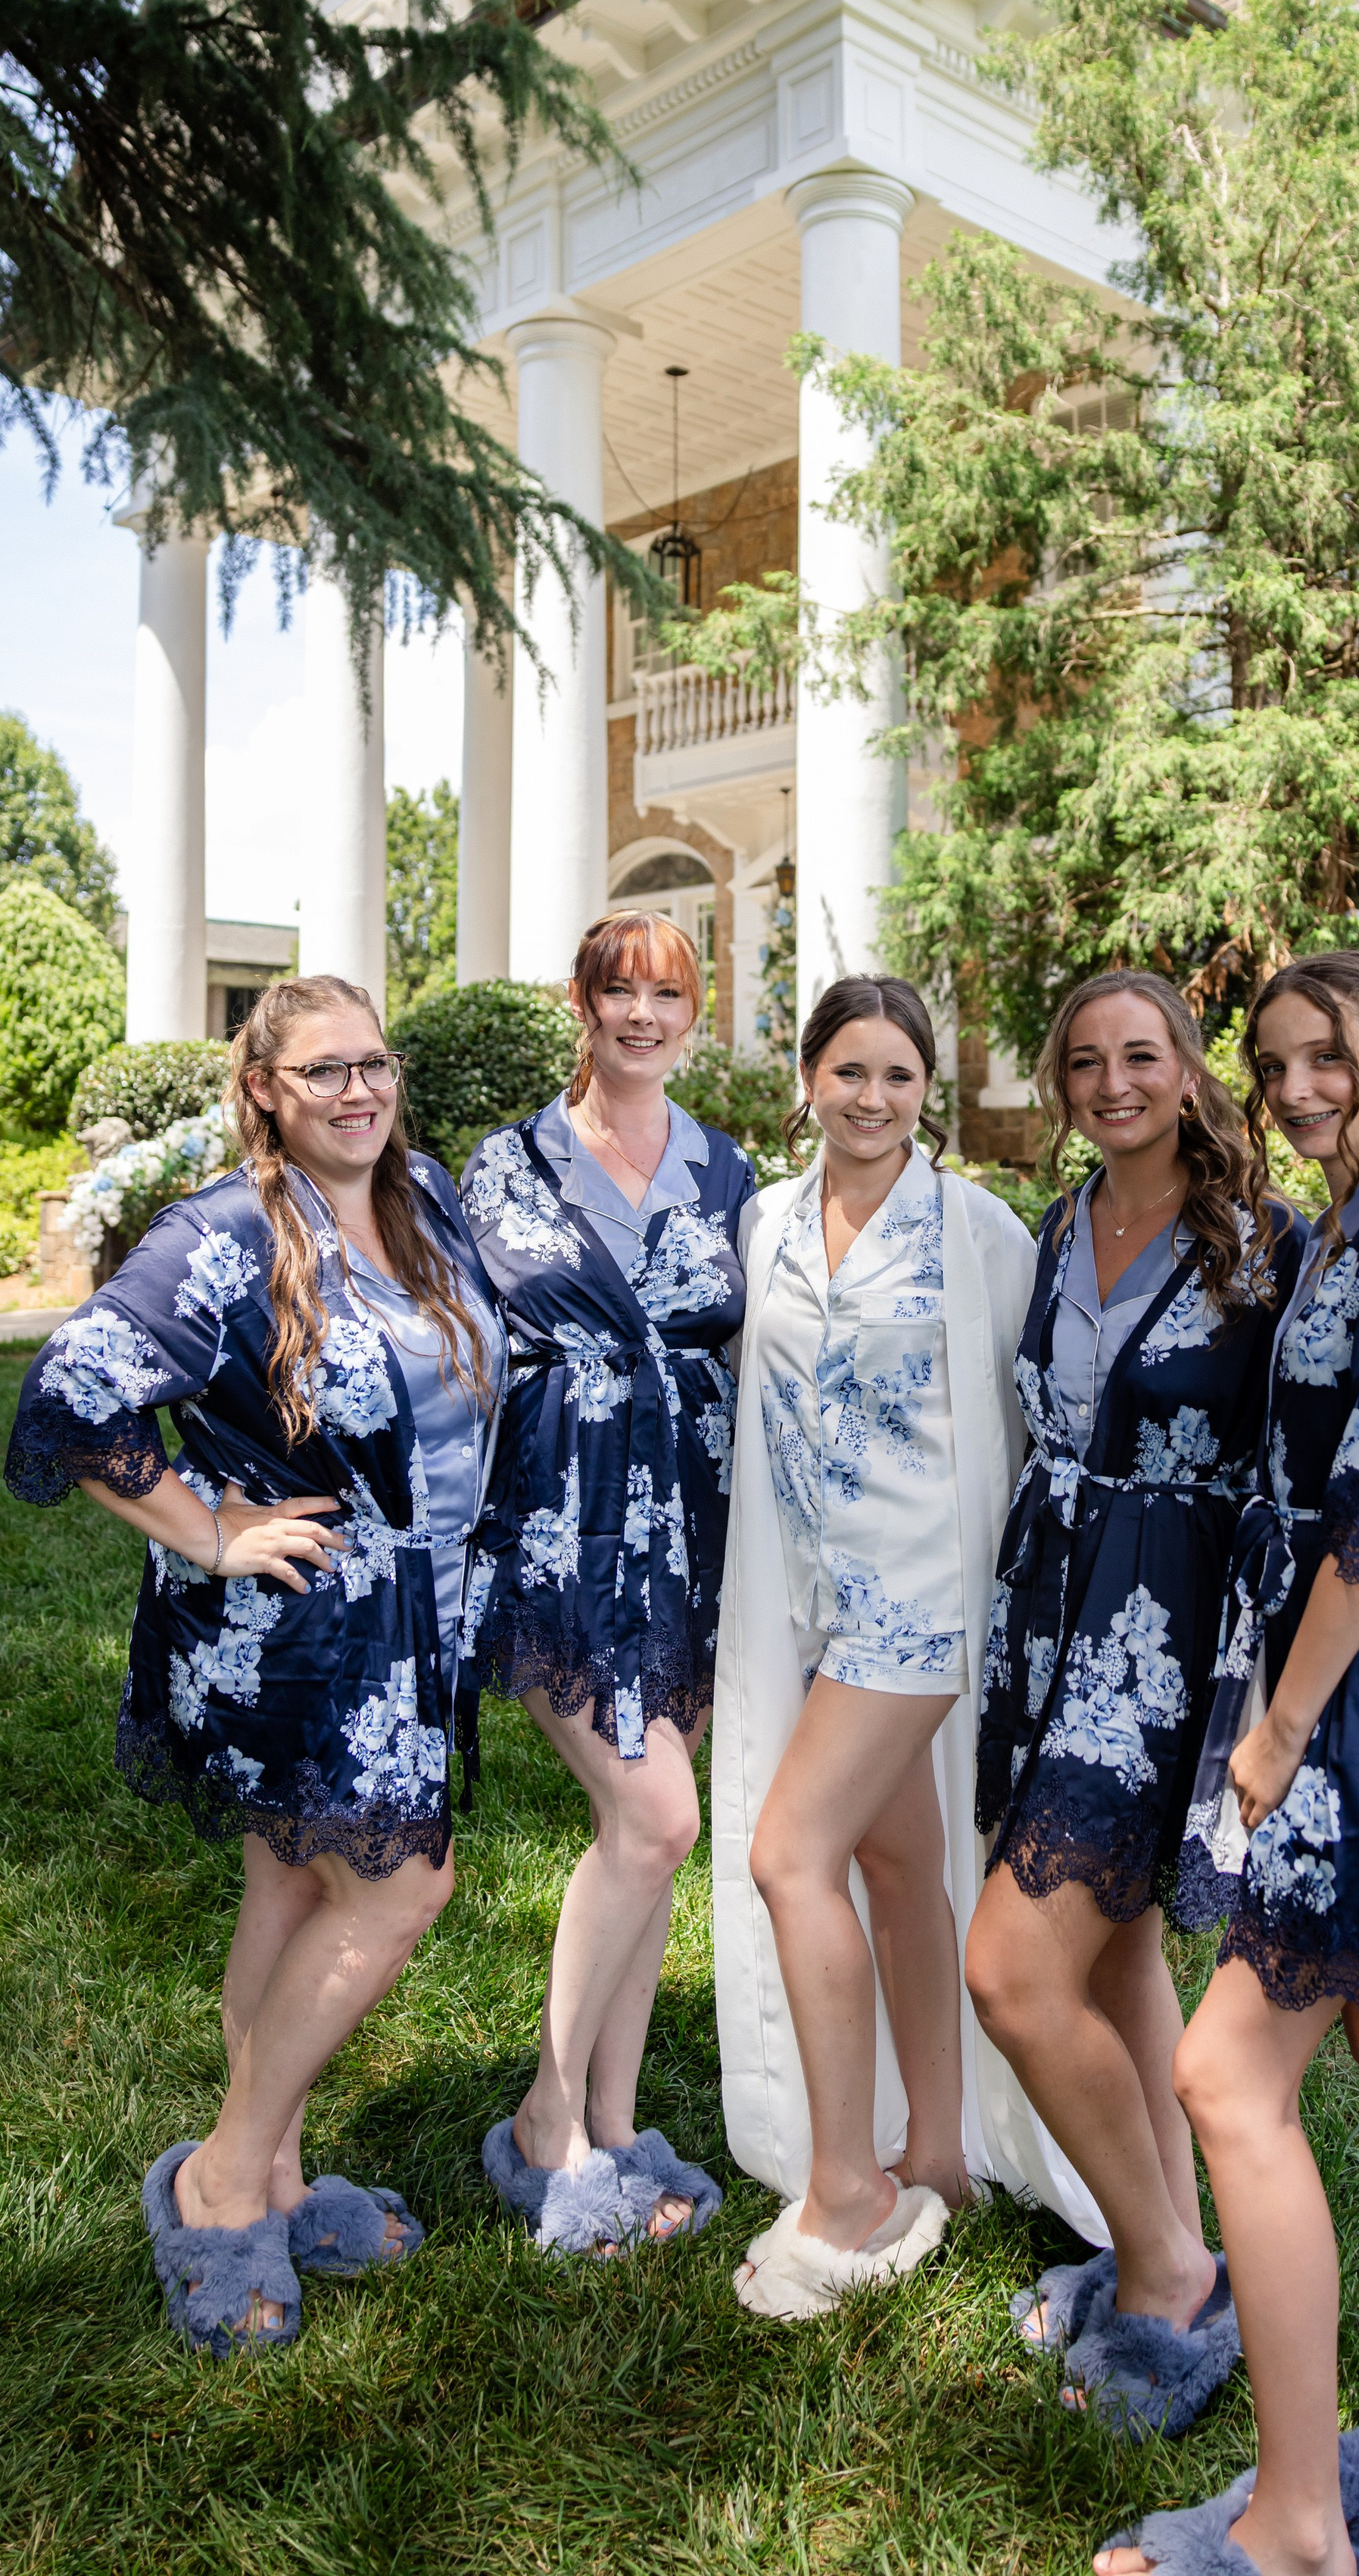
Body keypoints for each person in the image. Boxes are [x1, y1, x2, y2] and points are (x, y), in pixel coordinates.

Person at [1101, 952, 1359, 2576]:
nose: (1291, 1088)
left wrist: (1276, 1731)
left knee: (1224, 2076)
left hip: (1357, 1704)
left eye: (1324, 1058)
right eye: (1270, 1063)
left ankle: (1295, 2526)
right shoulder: (1351, 1222)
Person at [5, 975, 507, 2356]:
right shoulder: (223, 1233)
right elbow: (72, 1391)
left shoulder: (425, 1203)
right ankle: (221, 2181)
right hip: (292, 1633)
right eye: (327, 1072)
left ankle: (277, 2176)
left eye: (377, 1065)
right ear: (269, 1093)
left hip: (409, 1619)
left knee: (295, 1880)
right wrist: (209, 1530)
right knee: (402, 1884)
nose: (361, 1091)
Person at [712, 973, 1093, 2322]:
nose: (873, 1100)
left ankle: (848, 2195)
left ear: (929, 1091)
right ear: (806, 1078)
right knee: (891, 1857)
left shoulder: (979, 1233)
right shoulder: (764, 1224)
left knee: (786, 1854)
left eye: (900, 1078)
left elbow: (1069, 1393)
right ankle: (935, 2146)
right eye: (849, 1073)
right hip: (815, 1597)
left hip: (928, 1601)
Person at [965, 970, 1301, 2441]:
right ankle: (1160, 2234)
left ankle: (1169, 2274)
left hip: (1165, 1637)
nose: (1112, 1083)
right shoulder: (1056, 1228)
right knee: (1111, 1963)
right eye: (1085, 1062)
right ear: (1060, 1082)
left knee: (1013, 1972)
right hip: (1050, 1611)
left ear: (1185, 1074)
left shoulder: (1259, 1245)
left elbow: (1353, 1413)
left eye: (1139, 1057)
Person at [462, 911, 754, 2254]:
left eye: (668, 994)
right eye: (617, 990)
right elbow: (445, 1346)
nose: (641, 1015)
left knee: (652, 1833)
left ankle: (619, 2126)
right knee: (655, 1823)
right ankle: (544, 2123)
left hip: (695, 1530)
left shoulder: (728, 1171)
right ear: (577, 1001)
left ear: (696, 1012)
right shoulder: (503, 1165)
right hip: (556, 1525)